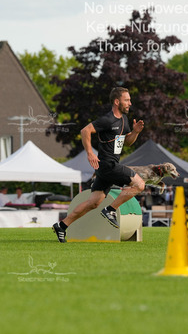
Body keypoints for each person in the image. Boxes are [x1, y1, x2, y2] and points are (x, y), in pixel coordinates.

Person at [52, 87, 145, 242]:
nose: (130, 103)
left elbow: (127, 142)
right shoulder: (107, 119)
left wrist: (135, 132)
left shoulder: (124, 120)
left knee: (93, 203)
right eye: (127, 100)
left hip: (105, 169)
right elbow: (85, 131)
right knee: (139, 184)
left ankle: (62, 225)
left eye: (129, 100)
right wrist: (90, 153)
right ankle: (110, 210)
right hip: (108, 165)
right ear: (117, 102)